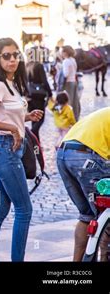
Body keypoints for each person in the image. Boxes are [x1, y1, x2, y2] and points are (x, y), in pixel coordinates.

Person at [0, 37, 43, 262]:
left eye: (15, 55)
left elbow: (5, 114)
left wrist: (25, 117)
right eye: (6, 56)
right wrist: (13, 128)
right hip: (4, 151)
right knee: (24, 210)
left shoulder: (11, 83)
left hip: (11, 150)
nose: (12, 59)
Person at [57, 107, 110, 261]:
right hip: (86, 157)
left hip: (63, 154)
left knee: (87, 214)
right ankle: (104, 257)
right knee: (105, 212)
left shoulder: (104, 113)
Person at [25, 52, 52, 140]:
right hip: (39, 95)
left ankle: (36, 143)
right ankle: (30, 134)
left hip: (29, 94)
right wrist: (50, 93)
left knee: (34, 119)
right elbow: (44, 81)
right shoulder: (38, 66)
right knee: (40, 118)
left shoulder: (27, 65)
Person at [61, 46, 80, 120]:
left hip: (68, 83)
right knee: (75, 102)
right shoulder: (73, 60)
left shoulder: (66, 61)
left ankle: (68, 118)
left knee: (68, 102)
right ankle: (75, 117)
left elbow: (65, 74)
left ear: (65, 52)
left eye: (62, 52)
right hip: (74, 82)